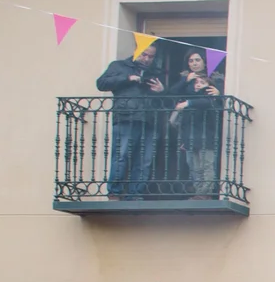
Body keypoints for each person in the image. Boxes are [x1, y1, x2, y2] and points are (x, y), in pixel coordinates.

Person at [96, 40, 165, 199]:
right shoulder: (119, 66)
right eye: (144, 54)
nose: (147, 59)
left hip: (149, 120)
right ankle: (115, 192)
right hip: (126, 117)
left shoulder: (155, 72)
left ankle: (135, 194)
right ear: (136, 50)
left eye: (151, 57)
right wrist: (128, 78)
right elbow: (101, 83)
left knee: (145, 160)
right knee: (121, 155)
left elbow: (167, 101)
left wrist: (162, 91)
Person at [170, 49, 224, 198]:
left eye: (197, 60)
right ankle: (199, 191)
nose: (194, 63)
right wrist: (185, 81)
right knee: (193, 165)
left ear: (204, 62)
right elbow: (172, 92)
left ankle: (204, 193)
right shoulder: (187, 80)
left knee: (205, 165)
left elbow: (211, 101)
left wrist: (189, 102)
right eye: (191, 61)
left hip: (207, 131)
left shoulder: (214, 80)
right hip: (189, 131)